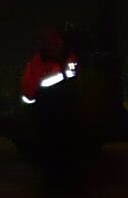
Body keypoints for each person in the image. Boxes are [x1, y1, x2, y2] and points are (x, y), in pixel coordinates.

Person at [20, 27, 84, 189]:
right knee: (52, 152)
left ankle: (61, 184)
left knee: (63, 151)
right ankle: (54, 184)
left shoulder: (66, 59)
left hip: (62, 113)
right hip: (49, 114)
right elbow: (29, 91)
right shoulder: (38, 64)